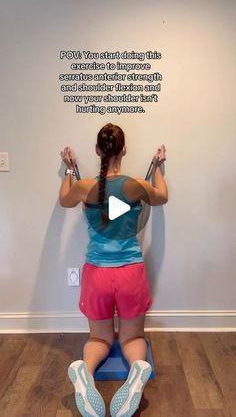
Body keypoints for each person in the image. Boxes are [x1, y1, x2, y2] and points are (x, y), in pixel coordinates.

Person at [59, 123, 168, 417]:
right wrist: (158, 165)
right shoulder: (135, 185)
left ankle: (86, 369)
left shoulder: (84, 188)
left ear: (97, 151)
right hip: (130, 273)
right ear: (124, 150)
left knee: (100, 339)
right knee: (132, 339)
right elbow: (161, 196)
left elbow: (64, 200)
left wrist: (69, 170)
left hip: (97, 275)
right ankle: (137, 371)